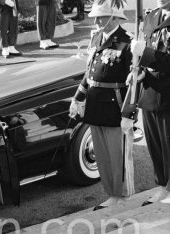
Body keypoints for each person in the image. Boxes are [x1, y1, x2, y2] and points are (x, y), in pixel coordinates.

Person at [69, 1, 133, 210]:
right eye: (96, 17)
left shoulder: (126, 42)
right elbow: (90, 73)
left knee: (118, 155)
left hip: (115, 106)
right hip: (95, 104)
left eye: (101, 17)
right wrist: (78, 98)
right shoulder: (97, 37)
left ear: (114, 18)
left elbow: (134, 82)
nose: (96, 21)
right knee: (102, 155)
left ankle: (122, 195)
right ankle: (111, 193)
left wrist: (129, 113)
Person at [130, 0, 170, 205]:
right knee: (155, 145)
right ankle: (163, 188)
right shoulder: (151, 16)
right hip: (150, 91)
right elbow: (141, 52)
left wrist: (146, 55)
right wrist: (138, 71)